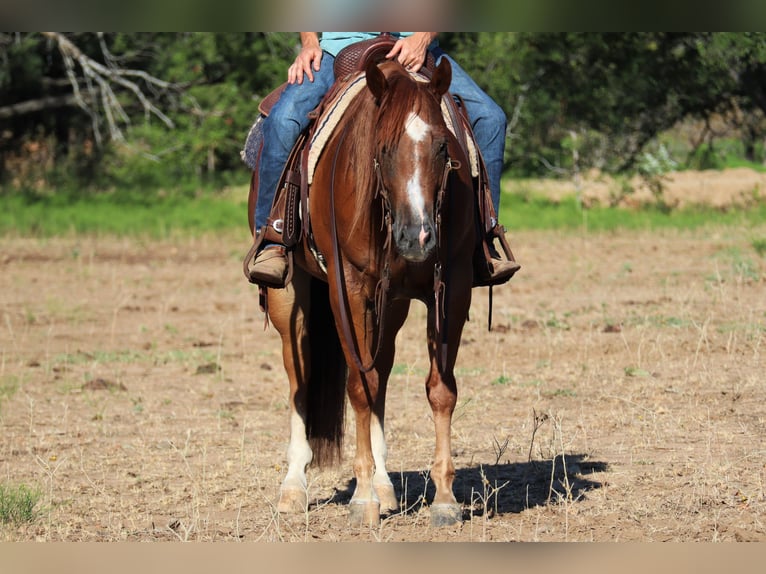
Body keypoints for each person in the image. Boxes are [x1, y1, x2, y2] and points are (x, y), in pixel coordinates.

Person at [249, 32, 519, 286]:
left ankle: (483, 241)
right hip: (339, 50)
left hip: (414, 49)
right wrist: (309, 43)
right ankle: (273, 239)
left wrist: (423, 36)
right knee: (283, 121)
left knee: (490, 119)